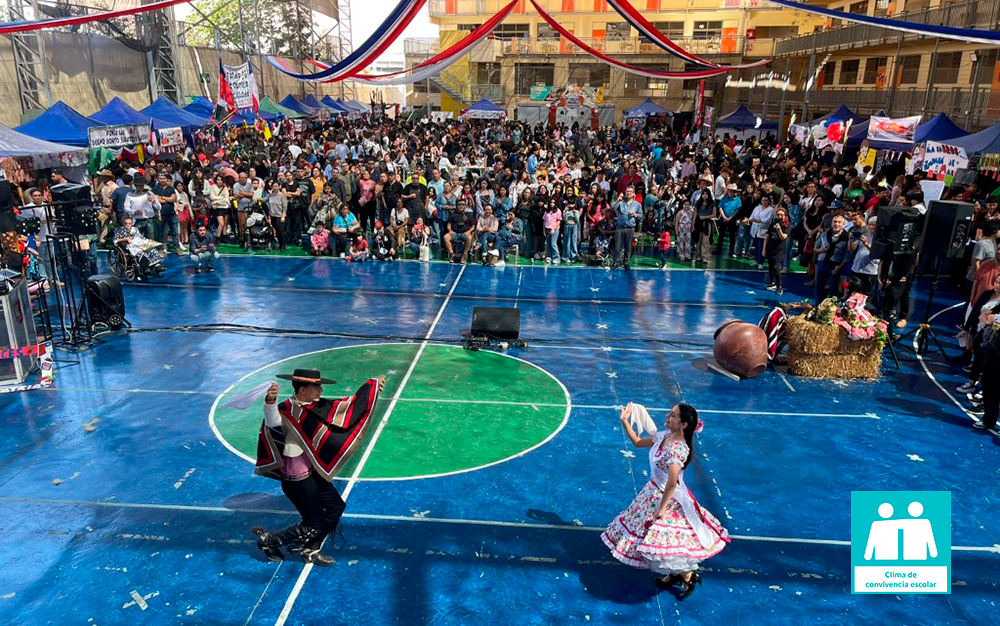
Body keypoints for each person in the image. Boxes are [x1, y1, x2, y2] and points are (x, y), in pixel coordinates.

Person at [252, 370, 386, 565]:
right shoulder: (288, 410)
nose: (321, 391)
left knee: (336, 507)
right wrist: (270, 401)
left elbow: (348, 408)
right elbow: (273, 422)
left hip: (314, 474)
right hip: (297, 480)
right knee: (314, 524)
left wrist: (372, 386)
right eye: (317, 387)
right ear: (303, 389)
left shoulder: (317, 407)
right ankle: (268, 540)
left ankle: (310, 549)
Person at [602, 403, 729, 599]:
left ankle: (687, 575)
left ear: (683, 424)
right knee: (659, 542)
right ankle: (677, 575)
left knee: (667, 542)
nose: (668, 416)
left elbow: (672, 482)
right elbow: (637, 442)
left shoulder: (678, 449)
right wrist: (624, 421)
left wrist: (661, 510)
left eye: (673, 415)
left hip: (666, 499)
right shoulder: (663, 437)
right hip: (653, 492)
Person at [614, 185, 641, 269]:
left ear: (633, 194)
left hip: (630, 228)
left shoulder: (637, 204)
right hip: (620, 227)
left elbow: (641, 216)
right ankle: (616, 262)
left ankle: (626, 262)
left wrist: (636, 215)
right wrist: (617, 201)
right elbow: (612, 208)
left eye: (630, 191)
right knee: (617, 245)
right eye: (627, 191)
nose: (628, 193)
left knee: (628, 246)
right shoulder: (621, 203)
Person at [763, 207, 789, 295]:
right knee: (770, 266)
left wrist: (779, 229)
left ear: (785, 216)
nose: (780, 216)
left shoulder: (787, 225)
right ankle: (772, 283)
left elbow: (783, 237)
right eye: (778, 215)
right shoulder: (772, 224)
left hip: (779, 250)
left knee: (776, 267)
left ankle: (779, 286)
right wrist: (764, 249)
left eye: (782, 215)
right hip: (770, 248)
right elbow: (767, 237)